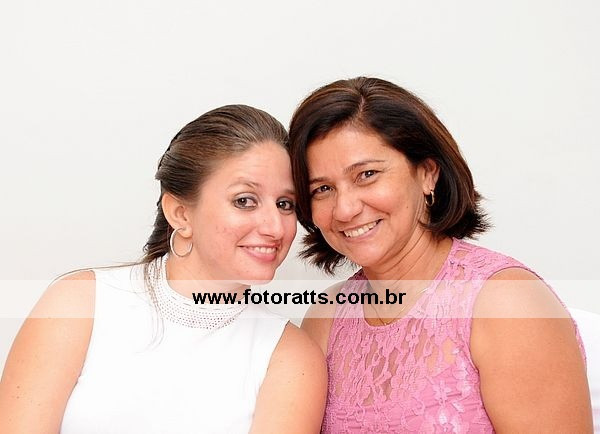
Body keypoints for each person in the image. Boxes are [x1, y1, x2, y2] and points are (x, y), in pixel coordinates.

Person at [289, 77, 593, 432]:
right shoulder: (326, 317)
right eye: (322, 189)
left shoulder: (506, 303)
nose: (345, 208)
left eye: (367, 175)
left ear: (427, 175)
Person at [0, 105, 327, 433]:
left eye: (285, 204)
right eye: (244, 200)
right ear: (180, 213)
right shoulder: (80, 303)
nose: (275, 227)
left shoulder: (290, 356)